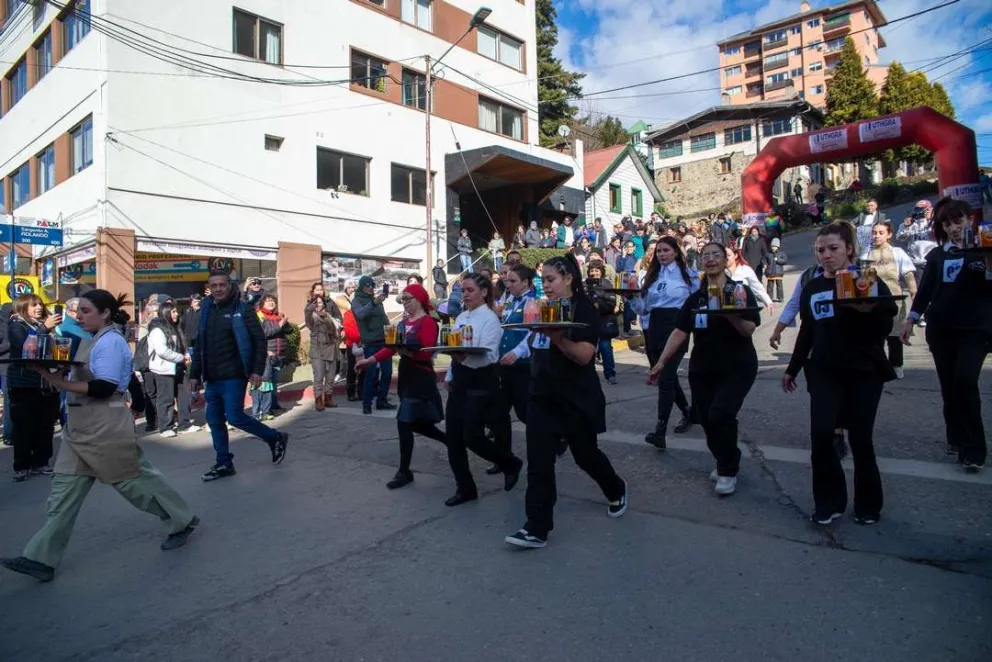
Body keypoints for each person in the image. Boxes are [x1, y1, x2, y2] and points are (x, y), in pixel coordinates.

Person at [0, 291, 198, 583]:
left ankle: (181, 521)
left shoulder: (111, 342)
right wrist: (50, 371)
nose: (78, 316)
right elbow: (78, 378)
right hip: (79, 428)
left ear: (104, 313)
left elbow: (104, 387)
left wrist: (57, 381)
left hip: (104, 424)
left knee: (136, 484)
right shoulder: (92, 340)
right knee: (62, 496)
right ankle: (40, 558)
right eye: (78, 311)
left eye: (85, 311)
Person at [505, 255, 628, 549]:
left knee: (585, 455)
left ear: (568, 278)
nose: (545, 285)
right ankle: (536, 527)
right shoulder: (539, 307)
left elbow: (585, 355)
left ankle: (616, 488)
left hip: (575, 397)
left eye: (551, 279)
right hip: (542, 395)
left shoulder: (584, 308)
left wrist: (558, 338)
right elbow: (534, 344)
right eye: (543, 280)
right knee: (539, 461)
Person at [783, 222, 898, 525]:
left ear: (848, 249)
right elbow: (807, 331)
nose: (826, 255)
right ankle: (829, 501)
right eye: (821, 250)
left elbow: (886, 325)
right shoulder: (813, 287)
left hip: (864, 370)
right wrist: (792, 368)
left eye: (833, 248)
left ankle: (868, 504)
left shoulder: (866, 280)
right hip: (824, 372)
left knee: (861, 440)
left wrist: (867, 311)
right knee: (822, 437)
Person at [650, 242, 760, 497]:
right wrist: (661, 362)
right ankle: (725, 457)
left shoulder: (739, 291)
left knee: (721, 414)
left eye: (716, 255)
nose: (710, 259)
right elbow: (680, 331)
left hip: (737, 366)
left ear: (726, 260)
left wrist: (730, 312)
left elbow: (749, 329)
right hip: (702, 368)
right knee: (706, 419)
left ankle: (727, 469)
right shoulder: (696, 298)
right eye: (705, 255)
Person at [901, 198, 990, 471]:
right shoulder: (937, 256)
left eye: (958, 221)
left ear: (969, 220)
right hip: (941, 330)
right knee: (950, 387)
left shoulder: (983, 252)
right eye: (947, 223)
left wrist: (988, 266)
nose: (953, 227)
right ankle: (957, 437)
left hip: (976, 330)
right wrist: (911, 319)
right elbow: (925, 291)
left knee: (965, 381)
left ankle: (974, 449)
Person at [188, 271, 289, 482]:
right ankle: (224, 462)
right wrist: (194, 374)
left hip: (234, 375)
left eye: (222, 285)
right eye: (213, 285)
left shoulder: (242, 309)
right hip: (212, 377)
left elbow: (259, 341)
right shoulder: (206, 308)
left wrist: (256, 370)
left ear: (230, 285)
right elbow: (200, 344)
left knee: (234, 416)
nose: (218, 289)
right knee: (214, 420)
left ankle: (275, 437)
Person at [443, 273, 524, 506]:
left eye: (470, 290)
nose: (465, 295)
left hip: (481, 381)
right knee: (454, 438)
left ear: (484, 292)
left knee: (472, 437)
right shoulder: (460, 317)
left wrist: (463, 357)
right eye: (463, 290)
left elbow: (488, 354)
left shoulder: (490, 319)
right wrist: (450, 373)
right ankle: (465, 487)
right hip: (460, 379)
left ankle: (509, 462)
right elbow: (454, 349)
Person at [356, 284, 446, 489]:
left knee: (405, 422)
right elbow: (390, 348)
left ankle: (404, 471)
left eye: (408, 299)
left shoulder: (429, 322)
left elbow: (426, 352)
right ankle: (448, 442)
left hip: (421, 377)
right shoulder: (403, 323)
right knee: (414, 423)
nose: (405, 303)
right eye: (403, 300)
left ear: (419, 300)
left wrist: (406, 352)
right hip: (407, 376)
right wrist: (370, 361)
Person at [629, 236, 696, 449]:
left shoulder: (689, 276)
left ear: (676, 252)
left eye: (666, 250)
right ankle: (688, 411)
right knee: (667, 377)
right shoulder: (652, 276)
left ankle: (660, 429)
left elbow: (698, 302)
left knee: (666, 377)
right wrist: (630, 298)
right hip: (655, 328)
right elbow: (644, 309)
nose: (662, 254)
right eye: (659, 251)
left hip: (677, 327)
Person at [7, 295, 62, 481]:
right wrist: (44, 327)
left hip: (46, 382)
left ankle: (41, 462)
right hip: (24, 383)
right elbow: (26, 346)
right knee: (24, 426)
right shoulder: (17, 325)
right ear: (23, 307)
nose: (39, 307)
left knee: (45, 424)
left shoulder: (45, 326)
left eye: (40, 304)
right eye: (34, 305)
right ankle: (22, 465)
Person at [489, 263, 537, 475]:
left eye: (513, 281)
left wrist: (518, 352)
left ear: (526, 282)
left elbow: (533, 333)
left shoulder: (533, 302)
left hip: (522, 367)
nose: (508, 285)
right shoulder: (507, 301)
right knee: (498, 413)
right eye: (507, 281)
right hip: (503, 365)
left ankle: (552, 441)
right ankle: (503, 458)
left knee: (526, 413)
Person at [867, 221, 917, 379]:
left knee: (894, 336)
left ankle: (896, 365)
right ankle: (878, 365)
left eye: (881, 232)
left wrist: (914, 296)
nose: (876, 236)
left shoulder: (897, 252)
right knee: (875, 335)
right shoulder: (866, 254)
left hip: (894, 300)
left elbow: (908, 275)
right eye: (874, 232)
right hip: (873, 302)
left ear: (889, 235)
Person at [352, 276, 396, 415]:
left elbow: (383, 317)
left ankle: (381, 400)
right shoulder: (357, 301)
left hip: (384, 341)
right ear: (361, 286)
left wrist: (390, 330)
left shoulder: (377, 301)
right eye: (368, 285)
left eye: (372, 284)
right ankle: (367, 404)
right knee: (371, 375)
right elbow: (360, 315)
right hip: (370, 342)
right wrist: (374, 303)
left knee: (388, 373)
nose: (371, 287)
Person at [145, 302, 187, 439]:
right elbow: (162, 351)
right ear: (166, 312)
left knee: (183, 395)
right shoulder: (158, 330)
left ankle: (184, 424)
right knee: (166, 398)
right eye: (173, 312)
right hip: (163, 368)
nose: (176, 314)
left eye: (177, 312)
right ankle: (165, 427)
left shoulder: (175, 328)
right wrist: (181, 358)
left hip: (177, 367)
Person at [253, 294, 291, 421]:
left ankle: (272, 406)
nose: (271, 303)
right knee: (266, 382)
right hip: (267, 354)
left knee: (273, 383)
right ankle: (262, 410)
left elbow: (289, 331)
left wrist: (284, 322)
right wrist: (279, 325)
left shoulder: (277, 315)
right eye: (268, 301)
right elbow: (265, 333)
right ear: (262, 304)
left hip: (279, 355)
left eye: (273, 301)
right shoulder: (260, 316)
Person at [586, 264, 620, 385]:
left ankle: (610, 373)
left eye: (596, 270)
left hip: (603, 321)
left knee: (605, 348)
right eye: (592, 270)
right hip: (589, 323)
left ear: (601, 272)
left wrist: (598, 305)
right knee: (589, 350)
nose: (594, 272)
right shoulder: (585, 284)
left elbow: (611, 303)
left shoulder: (606, 284)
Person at [306, 296, 340, 411]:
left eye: (320, 302)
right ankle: (318, 400)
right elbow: (307, 317)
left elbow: (337, 328)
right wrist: (309, 309)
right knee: (319, 377)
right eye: (316, 302)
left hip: (331, 349)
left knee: (330, 377)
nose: (319, 304)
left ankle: (328, 399)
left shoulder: (328, 316)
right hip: (318, 351)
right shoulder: (312, 317)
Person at [726, 246, 774, 312]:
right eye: (723, 255)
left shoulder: (745, 269)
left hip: (745, 309)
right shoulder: (719, 271)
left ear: (735, 255)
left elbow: (757, 287)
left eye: (728, 255)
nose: (726, 258)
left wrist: (768, 302)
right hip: (726, 310)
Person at [763, 238, 788, 303]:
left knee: (779, 286)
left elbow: (785, 261)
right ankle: (769, 298)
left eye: (775, 246)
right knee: (770, 286)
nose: (773, 248)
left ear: (778, 247)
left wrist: (778, 260)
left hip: (778, 272)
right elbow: (763, 259)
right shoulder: (768, 254)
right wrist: (764, 264)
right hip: (770, 272)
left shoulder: (781, 254)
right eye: (772, 246)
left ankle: (780, 297)